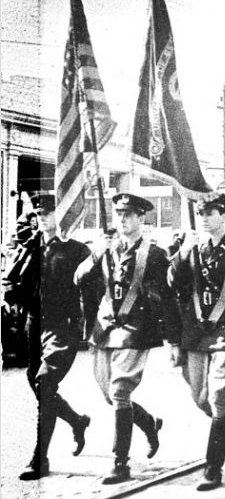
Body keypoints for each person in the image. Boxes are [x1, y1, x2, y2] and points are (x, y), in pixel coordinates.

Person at [74, 193, 182, 484]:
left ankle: (120, 462)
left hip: (136, 328)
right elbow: (80, 278)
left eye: (129, 214)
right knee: (108, 392)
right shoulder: (105, 248)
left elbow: (168, 299)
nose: (122, 219)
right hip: (105, 327)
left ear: (141, 218)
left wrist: (173, 339)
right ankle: (149, 423)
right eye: (119, 214)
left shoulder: (155, 255)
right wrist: (97, 253)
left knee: (120, 391)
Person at [168, 193, 225, 492]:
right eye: (201, 213)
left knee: (219, 395)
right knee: (200, 399)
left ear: (224, 215)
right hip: (197, 331)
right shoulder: (192, 247)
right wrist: (181, 252)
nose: (204, 218)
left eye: (210, 212)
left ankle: (213, 467)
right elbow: (174, 283)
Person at [3, 194, 91, 480]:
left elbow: (90, 286)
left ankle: (39, 460)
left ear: (61, 215)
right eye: (39, 214)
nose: (42, 218)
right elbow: (14, 279)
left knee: (45, 382)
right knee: (38, 384)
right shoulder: (31, 247)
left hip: (61, 326)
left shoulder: (76, 250)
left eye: (48, 213)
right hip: (34, 323)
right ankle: (77, 421)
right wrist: (10, 295)